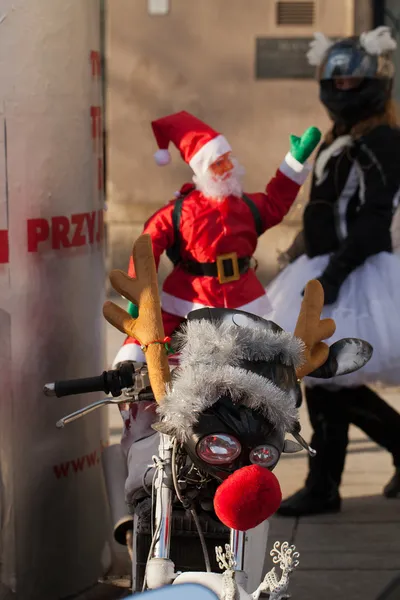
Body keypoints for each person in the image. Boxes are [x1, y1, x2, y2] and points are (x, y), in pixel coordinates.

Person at [266, 26, 400, 517]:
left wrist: (336, 275)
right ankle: (331, 481)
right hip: (326, 268)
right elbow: (324, 211)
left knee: (325, 375)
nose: (343, 90)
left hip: (355, 272)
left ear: (374, 83)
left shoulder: (382, 139)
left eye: (352, 82)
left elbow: (373, 222)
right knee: (325, 376)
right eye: (335, 82)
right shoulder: (342, 138)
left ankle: (324, 486)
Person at [112, 110, 321, 367]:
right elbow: (147, 245)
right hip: (189, 296)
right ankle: (130, 370)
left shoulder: (247, 206)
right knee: (153, 339)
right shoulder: (179, 212)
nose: (227, 168)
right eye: (218, 163)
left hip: (243, 296)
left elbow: (275, 203)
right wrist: (139, 295)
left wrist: (294, 162)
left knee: (266, 363)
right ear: (202, 170)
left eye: (227, 160)